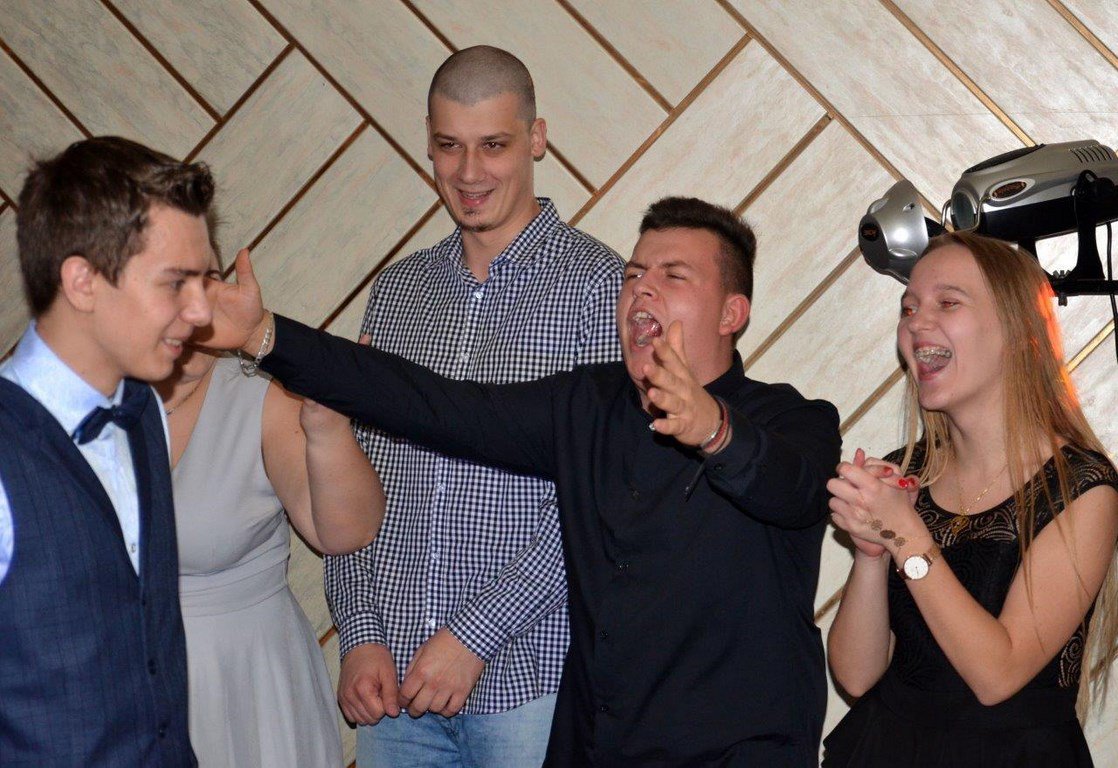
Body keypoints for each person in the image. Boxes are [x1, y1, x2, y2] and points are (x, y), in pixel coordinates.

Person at [207, 195, 842, 766]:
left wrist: (713, 429)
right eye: (632, 275)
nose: (641, 289)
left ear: (732, 312)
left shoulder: (797, 421)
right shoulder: (588, 405)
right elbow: (430, 404)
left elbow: (793, 490)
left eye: (672, 276)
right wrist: (264, 335)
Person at [325, 45, 623, 768]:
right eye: (448, 146)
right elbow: (348, 475)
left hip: (531, 685)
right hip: (391, 687)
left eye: (493, 145)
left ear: (537, 139)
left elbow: (602, 499)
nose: (468, 173)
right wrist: (359, 631)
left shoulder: (600, 288)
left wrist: (473, 636)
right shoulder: (397, 293)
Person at [824, 231, 1118, 767]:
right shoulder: (908, 471)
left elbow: (997, 675)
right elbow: (857, 675)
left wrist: (903, 534)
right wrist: (870, 553)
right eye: (909, 307)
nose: (917, 322)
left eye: (948, 302)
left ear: (1017, 330)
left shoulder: (1082, 487)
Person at [0, 136, 215, 765]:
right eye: (176, 283)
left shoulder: (144, 410)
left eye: (204, 280)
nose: (200, 311)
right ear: (83, 281)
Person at [156, 329, 385, 765]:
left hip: (248, 682)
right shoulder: (74, 401)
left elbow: (345, 532)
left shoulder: (258, 392)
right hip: (113, 679)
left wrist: (328, 427)